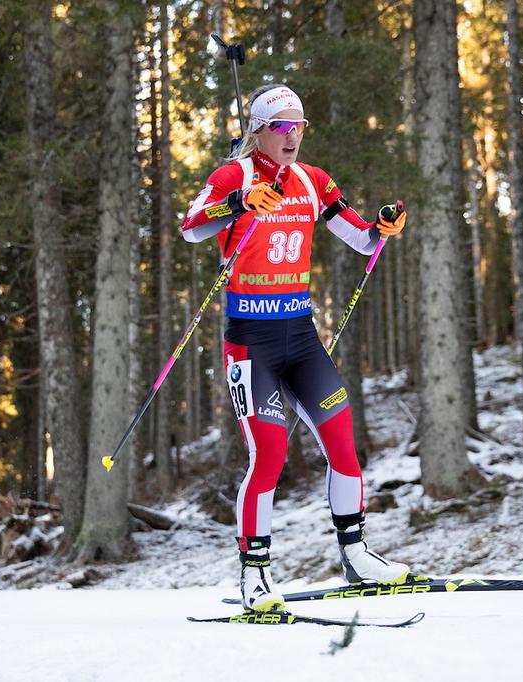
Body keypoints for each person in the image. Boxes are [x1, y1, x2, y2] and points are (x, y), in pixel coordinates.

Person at [179, 84, 410, 613]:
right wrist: (237, 204)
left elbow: (360, 237)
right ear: (259, 130)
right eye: (281, 126)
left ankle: (357, 557)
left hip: (302, 338)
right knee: (270, 454)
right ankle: (255, 575)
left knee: (343, 443)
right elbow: (191, 228)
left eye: (299, 125)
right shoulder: (233, 175)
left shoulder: (312, 180)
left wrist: (382, 227)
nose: (293, 136)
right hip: (251, 343)